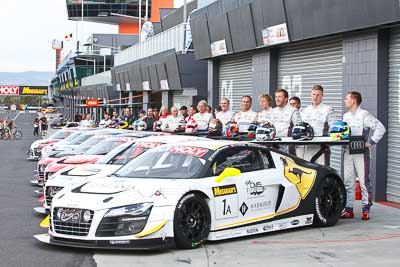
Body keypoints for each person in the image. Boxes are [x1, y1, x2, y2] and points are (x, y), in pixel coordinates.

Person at [341, 91, 386, 221]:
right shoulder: (345, 116)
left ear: (353, 101)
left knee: (363, 182)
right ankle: (349, 209)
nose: (345, 101)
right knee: (348, 182)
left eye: (347, 99)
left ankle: (365, 209)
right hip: (348, 152)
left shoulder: (364, 114)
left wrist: (371, 142)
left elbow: (381, 128)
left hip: (361, 153)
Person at [298, 85, 336, 165]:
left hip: (321, 148)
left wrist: (328, 143)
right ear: (310, 95)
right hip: (307, 147)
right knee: (307, 173)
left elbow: (333, 128)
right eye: (313, 94)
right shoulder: (304, 110)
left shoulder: (328, 109)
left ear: (322, 96)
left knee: (323, 173)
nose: (315, 97)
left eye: (318, 95)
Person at [271, 89, 302, 153]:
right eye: (276, 97)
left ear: (286, 99)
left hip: (288, 145)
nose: (277, 99)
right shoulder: (273, 111)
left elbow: (299, 128)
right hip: (275, 144)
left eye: (279, 97)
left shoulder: (293, 110)